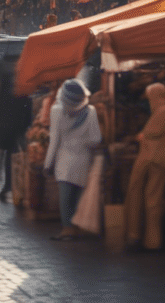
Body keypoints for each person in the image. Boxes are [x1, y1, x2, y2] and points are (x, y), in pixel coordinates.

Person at [43, 79, 102, 241]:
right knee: (77, 197)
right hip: (83, 160)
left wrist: (48, 164)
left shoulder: (56, 111)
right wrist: (83, 142)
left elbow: (54, 141)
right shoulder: (90, 111)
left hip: (64, 160)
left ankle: (67, 229)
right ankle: (76, 229)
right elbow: (96, 139)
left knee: (65, 196)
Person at [125, 83, 165, 251]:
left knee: (147, 196)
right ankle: (149, 239)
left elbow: (147, 134)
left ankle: (143, 238)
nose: (149, 102)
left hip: (152, 159)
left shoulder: (163, 112)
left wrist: (139, 136)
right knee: (151, 198)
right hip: (158, 160)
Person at [0, 59, 33, 203]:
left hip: (3, 128)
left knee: (6, 155)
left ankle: (7, 185)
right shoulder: (21, 86)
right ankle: (10, 186)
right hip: (17, 129)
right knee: (13, 156)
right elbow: (27, 107)